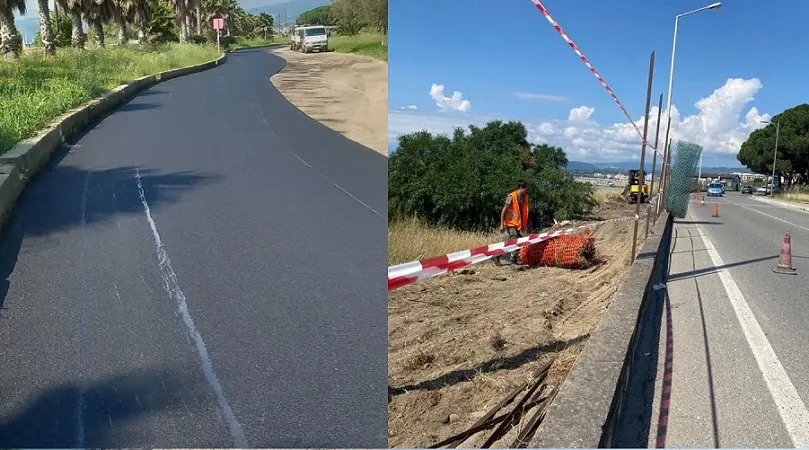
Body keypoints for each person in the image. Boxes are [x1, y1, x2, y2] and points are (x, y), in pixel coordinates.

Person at [495, 180, 530, 265]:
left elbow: (524, 211)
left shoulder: (525, 197)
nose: (527, 191)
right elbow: (504, 210)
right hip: (510, 223)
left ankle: (497, 255)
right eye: (526, 189)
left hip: (518, 224)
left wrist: (525, 224)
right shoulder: (511, 197)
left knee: (515, 241)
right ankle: (513, 258)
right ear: (521, 188)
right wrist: (502, 224)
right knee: (515, 239)